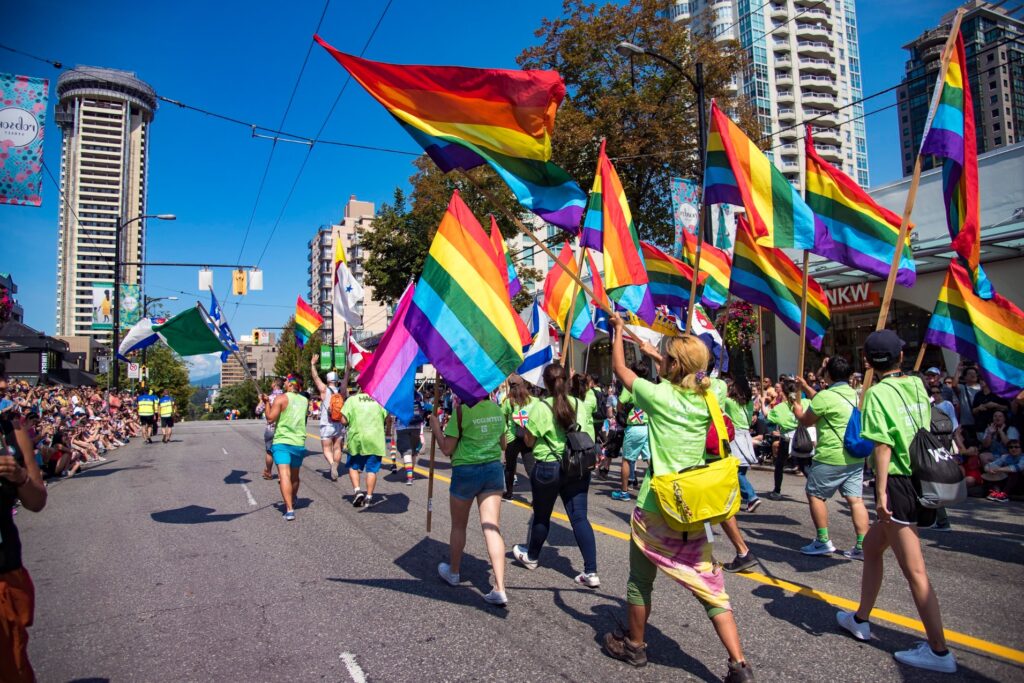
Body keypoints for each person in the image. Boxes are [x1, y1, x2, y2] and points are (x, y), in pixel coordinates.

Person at [601, 315, 754, 681]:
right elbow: (697, 377)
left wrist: (619, 331)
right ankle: (739, 664)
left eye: (667, 359)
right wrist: (659, 354)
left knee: (640, 581)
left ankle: (635, 646)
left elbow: (621, 369)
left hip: (656, 505)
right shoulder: (712, 394)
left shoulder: (658, 397)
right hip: (693, 507)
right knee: (711, 589)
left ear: (672, 367)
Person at [836, 330, 956, 673]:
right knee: (872, 549)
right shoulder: (917, 385)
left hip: (899, 481)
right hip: (921, 475)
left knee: (915, 571)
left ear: (867, 362)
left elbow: (882, 446)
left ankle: (939, 651)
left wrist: (882, 492)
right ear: (901, 358)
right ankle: (860, 617)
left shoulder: (875, 394)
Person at [512, 364, 600, 588]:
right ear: (567, 381)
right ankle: (591, 571)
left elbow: (530, 441)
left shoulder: (540, 408)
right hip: (577, 468)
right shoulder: (581, 405)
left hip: (547, 468)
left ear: (546, 383)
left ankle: (532, 556)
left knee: (542, 516)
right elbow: (589, 436)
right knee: (579, 518)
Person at [428, 393, 509, 606]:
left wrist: (436, 427)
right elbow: (503, 445)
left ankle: (454, 572)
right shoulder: (497, 410)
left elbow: (447, 448)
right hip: (492, 470)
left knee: (458, 526)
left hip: (466, 472)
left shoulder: (462, 412)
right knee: (492, 528)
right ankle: (500, 587)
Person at [793, 357, 870, 559]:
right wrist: (807, 387)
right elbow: (822, 399)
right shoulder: (856, 394)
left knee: (815, 495)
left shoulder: (825, 397)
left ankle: (823, 540)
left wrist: (799, 412)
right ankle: (862, 545)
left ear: (828, 375)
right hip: (854, 456)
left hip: (830, 456)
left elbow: (807, 421)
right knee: (856, 500)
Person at [0, 364, 48, 682]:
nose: (4, 382)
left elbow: (37, 500)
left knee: (13, 665)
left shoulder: (11, 427)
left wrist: (19, 477)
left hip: (5, 567)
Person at [262, 375, 309, 521]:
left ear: (290, 384)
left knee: (284, 475)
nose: (285, 383)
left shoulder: (281, 398)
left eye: (287, 381)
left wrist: (266, 403)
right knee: (294, 476)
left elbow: (270, 418)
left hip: (282, 442)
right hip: (298, 443)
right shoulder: (305, 400)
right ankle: (293, 497)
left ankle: (289, 509)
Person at [340, 385, 389, 508]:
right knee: (372, 470)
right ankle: (369, 497)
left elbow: (343, 421)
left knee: (353, 466)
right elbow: (387, 418)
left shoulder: (352, 400)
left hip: (357, 440)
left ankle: (357, 491)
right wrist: (387, 431)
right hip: (375, 440)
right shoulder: (379, 400)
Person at [766, 380, 811, 500]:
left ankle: (777, 491)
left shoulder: (779, 408)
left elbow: (768, 417)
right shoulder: (807, 402)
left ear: (784, 393)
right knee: (804, 465)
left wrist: (762, 403)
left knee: (780, 464)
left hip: (788, 438)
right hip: (804, 436)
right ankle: (816, 489)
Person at [614, 363, 652, 502]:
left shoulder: (631, 387)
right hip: (647, 427)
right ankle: (659, 488)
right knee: (650, 459)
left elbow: (620, 402)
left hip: (634, 427)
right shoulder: (649, 386)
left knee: (626, 460)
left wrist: (620, 413)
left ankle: (624, 492)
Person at [724, 378, 761, 513]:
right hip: (746, 435)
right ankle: (737, 499)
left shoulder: (729, 402)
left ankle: (751, 496)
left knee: (736, 471)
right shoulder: (750, 403)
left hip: (735, 436)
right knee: (741, 470)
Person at [310, 355, 346, 482]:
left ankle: (332, 464)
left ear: (328, 379)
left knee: (326, 448)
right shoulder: (341, 390)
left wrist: (313, 364)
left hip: (327, 423)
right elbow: (346, 378)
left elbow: (315, 377)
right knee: (338, 447)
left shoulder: (324, 389)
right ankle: (336, 465)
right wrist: (348, 368)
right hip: (339, 424)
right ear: (337, 380)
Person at [500, 374, 536, 500]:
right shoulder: (532, 400)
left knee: (510, 467)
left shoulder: (508, 401)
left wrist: (504, 433)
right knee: (531, 468)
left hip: (512, 439)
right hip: (528, 437)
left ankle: (509, 492)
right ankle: (536, 496)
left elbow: (502, 419)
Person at [394, 389, 426, 486]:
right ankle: (411, 472)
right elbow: (423, 410)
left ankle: (409, 476)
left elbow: (394, 411)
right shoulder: (418, 395)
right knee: (413, 451)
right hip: (416, 426)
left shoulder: (398, 395)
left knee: (406, 451)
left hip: (402, 426)